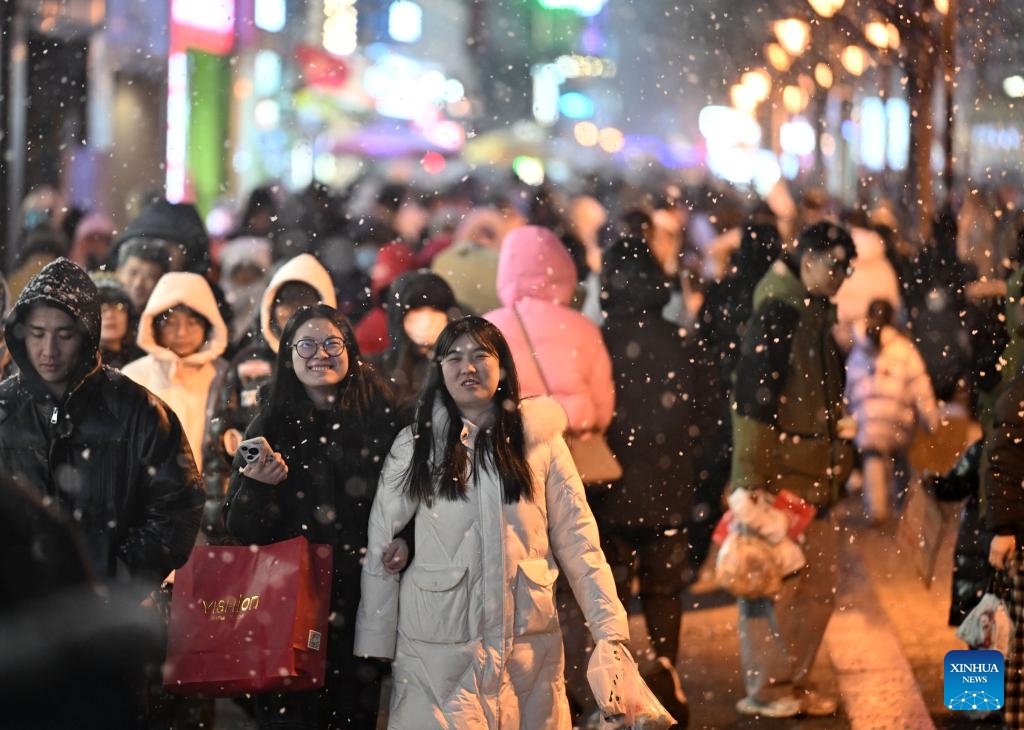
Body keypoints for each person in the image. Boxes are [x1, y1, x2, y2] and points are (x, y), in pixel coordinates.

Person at [354, 316, 631, 728]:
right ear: (440, 369)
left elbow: (578, 538)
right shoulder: (416, 444)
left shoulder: (541, 443)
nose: (468, 367)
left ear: (502, 365)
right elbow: (383, 539)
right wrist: (376, 640)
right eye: (454, 357)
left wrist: (610, 630)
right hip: (437, 651)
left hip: (528, 648)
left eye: (480, 355)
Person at [223, 304, 401, 729]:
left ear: (350, 350)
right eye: (305, 344)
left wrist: (405, 540)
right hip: (288, 602)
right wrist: (257, 488)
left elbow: (409, 500)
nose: (319, 354)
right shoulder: (268, 426)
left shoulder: (383, 419)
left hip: (362, 598)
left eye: (331, 343)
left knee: (354, 714)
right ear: (288, 355)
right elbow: (240, 528)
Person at [0, 257, 204, 593]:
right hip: (18, 607)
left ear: (86, 334)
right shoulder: (6, 408)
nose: (49, 350)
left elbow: (177, 506)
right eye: (37, 334)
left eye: (64, 335)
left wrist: (118, 578)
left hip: (108, 607)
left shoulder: (137, 410)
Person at [730, 222, 857, 718]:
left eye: (847, 268)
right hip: (785, 476)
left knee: (816, 588)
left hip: (815, 474)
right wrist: (750, 481)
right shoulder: (779, 312)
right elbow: (752, 402)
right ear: (807, 262)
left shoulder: (814, 313)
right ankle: (768, 686)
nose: (841, 276)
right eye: (835, 265)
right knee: (773, 587)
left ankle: (793, 681)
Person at [597, 236, 693, 724]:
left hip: (608, 491)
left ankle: (617, 693)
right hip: (669, 489)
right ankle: (664, 673)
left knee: (609, 595)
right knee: (663, 589)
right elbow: (707, 416)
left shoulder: (597, 341)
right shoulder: (681, 341)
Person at [122, 272, 230, 479]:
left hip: (215, 492)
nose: (182, 332)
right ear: (154, 325)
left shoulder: (224, 375)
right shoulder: (134, 376)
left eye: (192, 322)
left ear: (208, 324)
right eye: (170, 322)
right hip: (151, 493)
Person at [845, 299, 939, 524]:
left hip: (868, 419)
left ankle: (876, 509)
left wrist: (848, 418)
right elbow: (920, 387)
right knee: (900, 458)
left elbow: (849, 388)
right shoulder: (904, 349)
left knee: (873, 456)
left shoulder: (858, 350)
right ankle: (903, 506)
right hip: (898, 418)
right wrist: (930, 420)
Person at [376, 269, 460, 415]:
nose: (426, 322)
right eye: (416, 314)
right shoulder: (376, 370)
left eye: (435, 313)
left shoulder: (460, 366)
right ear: (398, 319)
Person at [91, 273, 145, 369]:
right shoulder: (81, 363)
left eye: (118, 307)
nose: (110, 314)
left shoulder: (142, 359)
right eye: (101, 308)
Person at [114, 236, 171, 316]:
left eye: (149, 275)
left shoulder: (169, 317)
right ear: (118, 273)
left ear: (162, 279)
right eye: (133, 273)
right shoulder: (101, 313)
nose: (138, 283)